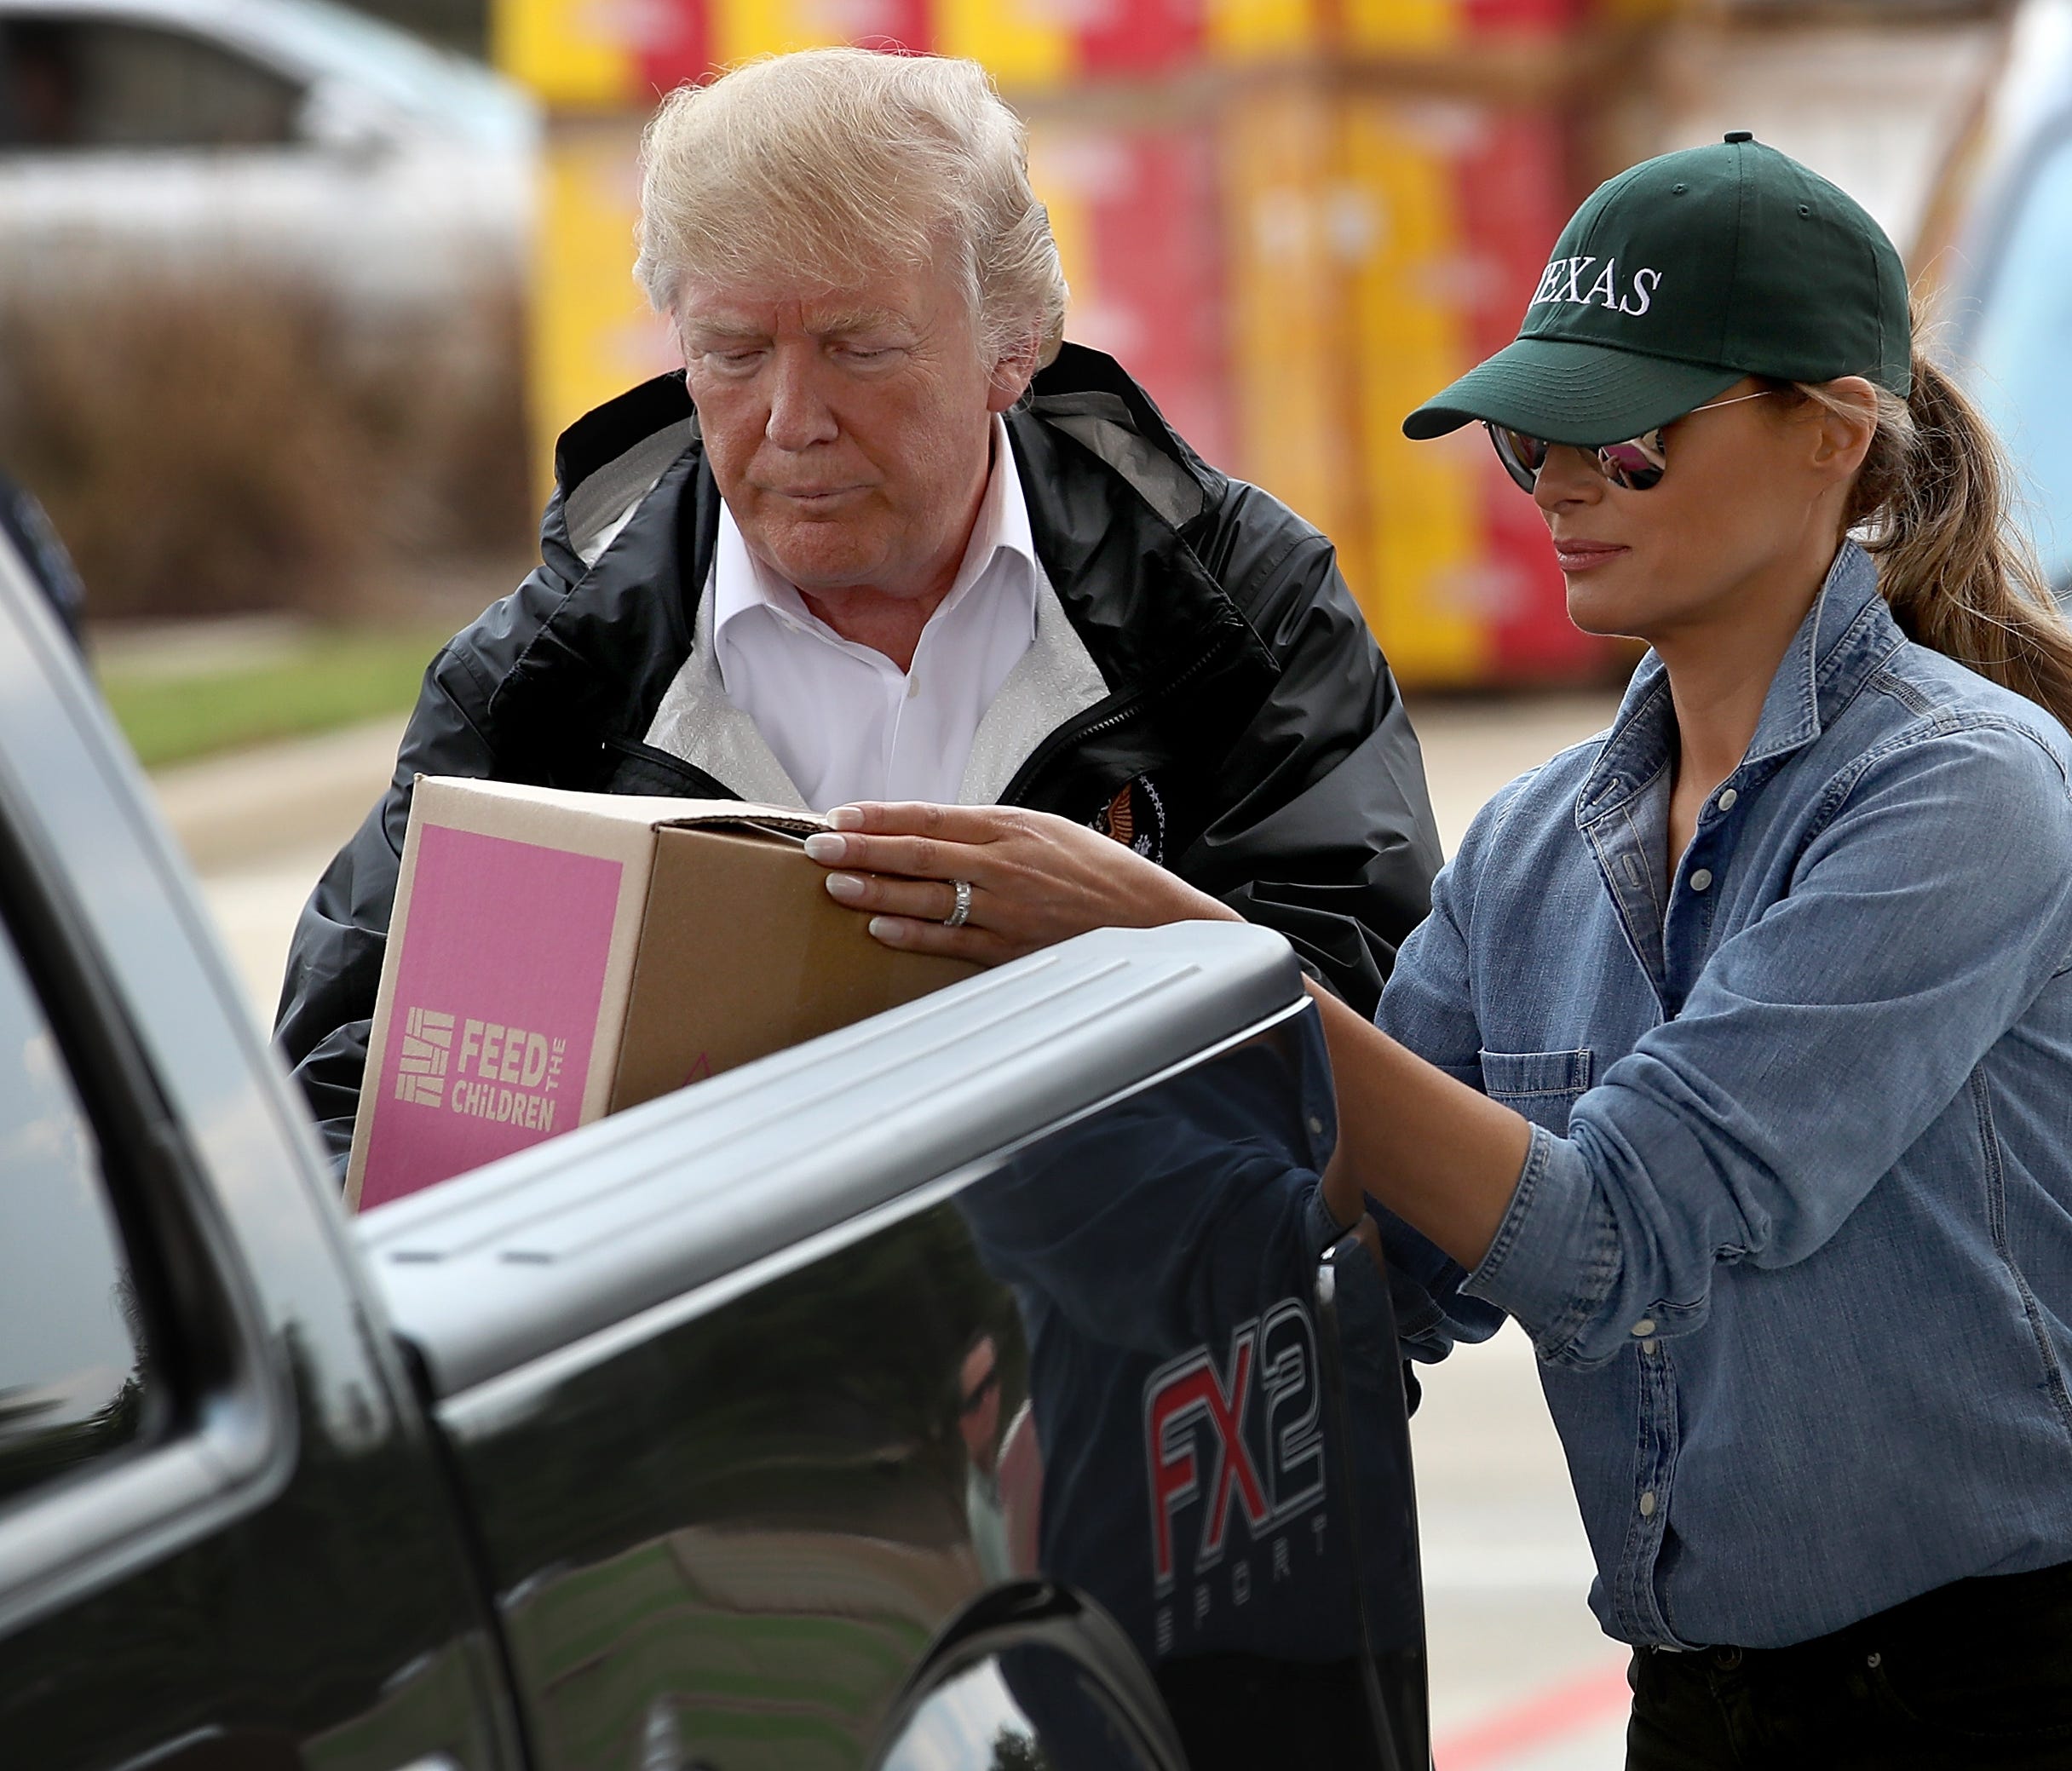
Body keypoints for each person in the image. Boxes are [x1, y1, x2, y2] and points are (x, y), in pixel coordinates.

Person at [803, 135, 2072, 1768]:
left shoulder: (1961, 794)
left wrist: (1187, 952)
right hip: (1702, 1708)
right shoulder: (1539, 847)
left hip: (2002, 1691)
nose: (1549, 484)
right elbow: (1352, 1253)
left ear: (1830, 434)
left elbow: (1612, 1236)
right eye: (1527, 439)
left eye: (1621, 444)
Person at [273, 47, 1442, 1163]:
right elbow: (347, 1108)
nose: (793, 418)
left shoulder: (1232, 611)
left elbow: (1401, 1050)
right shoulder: (542, 684)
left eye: (858, 347)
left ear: (1013, 342)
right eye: (732, 352)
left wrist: (1130, 944)